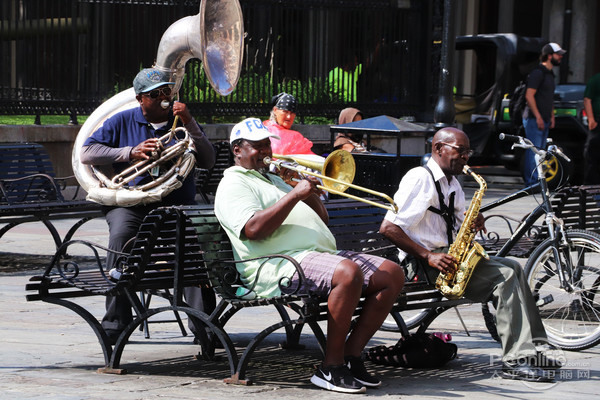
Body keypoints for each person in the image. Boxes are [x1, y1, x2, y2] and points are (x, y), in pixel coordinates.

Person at [214, 118, 404, 393]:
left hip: (314, 255)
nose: (265, 150)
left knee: (391, 274)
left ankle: (350, 357)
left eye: (267, 143)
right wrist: (294, 195)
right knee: (348, 272)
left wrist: (302, 187)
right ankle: (331, 367)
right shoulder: (234, 183)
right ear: (237, 150)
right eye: (256, 146)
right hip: (275, 263)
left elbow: (323, 217)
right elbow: (253, 229)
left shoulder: (276, 177)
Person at [379, 127, 561, 383]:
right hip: (423, 263)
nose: (466, 157)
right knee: (504, 276)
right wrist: (427, 255)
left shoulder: (453, 181)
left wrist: (472, 222)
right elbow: (389, 228)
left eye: (468, 151)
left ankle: (535, 351)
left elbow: (451, 225)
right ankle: (516, 360)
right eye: (460, 151)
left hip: (447, 257)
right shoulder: (420, 178)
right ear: (438, 148)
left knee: (514, 267)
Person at [80, 67, 217, 344]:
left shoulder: (181, 121)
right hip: (132, 202)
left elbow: (208, 160)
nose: (164, 98)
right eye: (156, 94)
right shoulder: (121, 121)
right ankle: (115, 324)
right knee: (120, 237)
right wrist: (130, 152)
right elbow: (87, 152)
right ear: (140, 98)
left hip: (176, 203)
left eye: (168, 91)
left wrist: (190, 123)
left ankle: (205, 326)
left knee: (193, 245)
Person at [522, 42, 566, 186]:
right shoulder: (538, 73)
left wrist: (551, 116)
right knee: (533, 151)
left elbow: (549, 96)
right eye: (558, 54)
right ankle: (532, 183)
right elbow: (529, 95)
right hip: (535, 119)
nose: (560, 57)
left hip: (544, 118)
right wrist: (539, 116)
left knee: (540, 152)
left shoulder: (549, 74)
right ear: (549, 55)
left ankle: (537, 182)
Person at [583, 72, 600, 184]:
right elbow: (587, 99)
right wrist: (591, 119)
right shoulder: (596, 79)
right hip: (598, 121)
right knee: (593, 154)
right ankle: (591, 185)